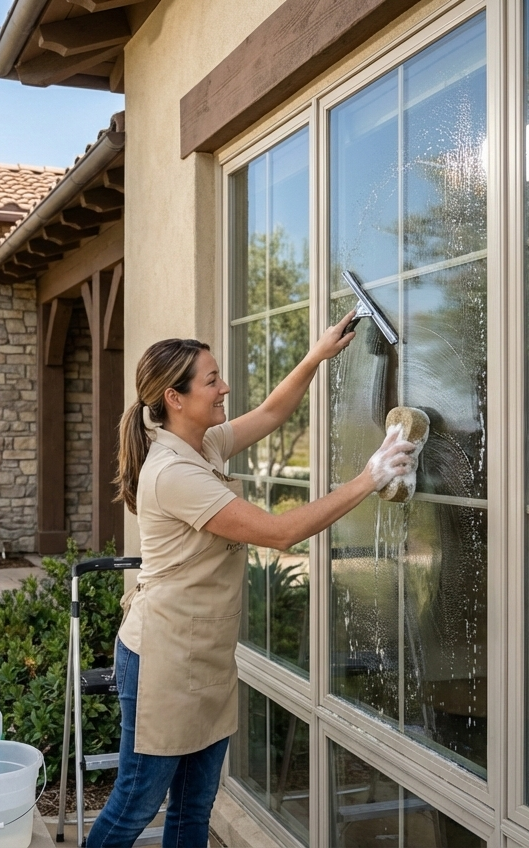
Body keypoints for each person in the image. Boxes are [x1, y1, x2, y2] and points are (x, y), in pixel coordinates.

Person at [86, 313, 422, 848]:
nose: (224, 388)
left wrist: (315, 357)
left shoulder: (203, 443)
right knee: (136, 803)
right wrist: (369, 476)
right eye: (212, 380)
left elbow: (270, 412)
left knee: (194, 809)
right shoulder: (175, 473)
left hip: (203, 653)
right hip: (164, 660)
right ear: (175, 396)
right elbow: (281, 532)